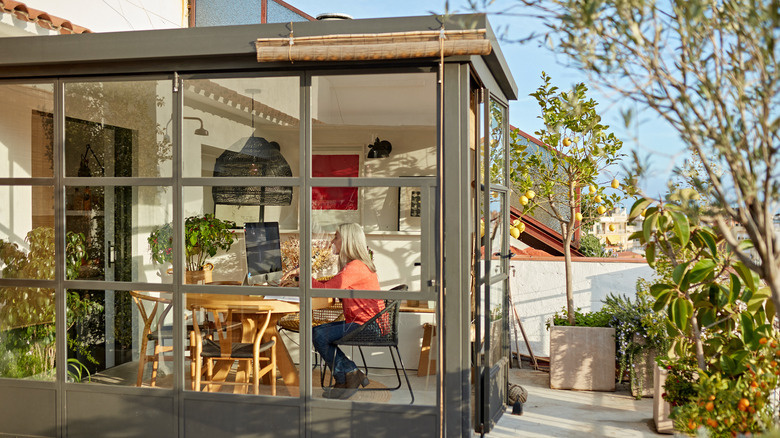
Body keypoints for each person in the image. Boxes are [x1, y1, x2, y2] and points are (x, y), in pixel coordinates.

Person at [280, 223, 384, 400]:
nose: (332, 240)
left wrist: (303, 274)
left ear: (347, 241)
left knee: (319, 334)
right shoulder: (357, 265)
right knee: (319, 333)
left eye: (336, 237)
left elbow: (326, 289)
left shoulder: (355, 267)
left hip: (367, 325)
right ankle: (344, 381)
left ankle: (350, 372)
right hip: (365, 322)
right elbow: (335, 288)